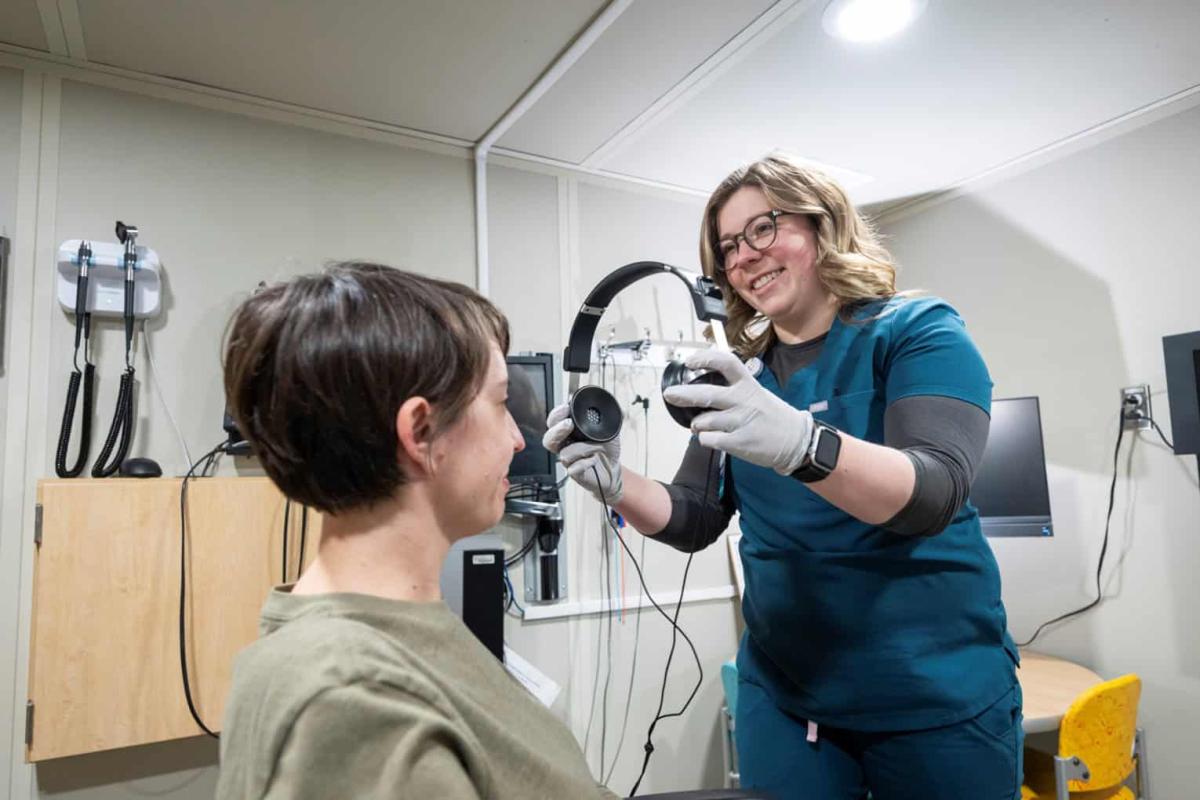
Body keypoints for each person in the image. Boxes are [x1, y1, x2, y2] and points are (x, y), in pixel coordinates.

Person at [544, 154, 1023, 800]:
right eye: (728, 247)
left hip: (934, 696)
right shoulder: (743, 377)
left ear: (822, 225)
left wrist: (802, 444)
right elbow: (695, 516)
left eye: (763, 228)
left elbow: (933, 493)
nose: (745, 256)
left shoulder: (918, 332)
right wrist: (615, 482)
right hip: (790, 702)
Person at [217, 263, 618, 800]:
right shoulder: (353, 704)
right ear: (422, 432)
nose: (518, 440)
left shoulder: (394, 633)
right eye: (502, 403)